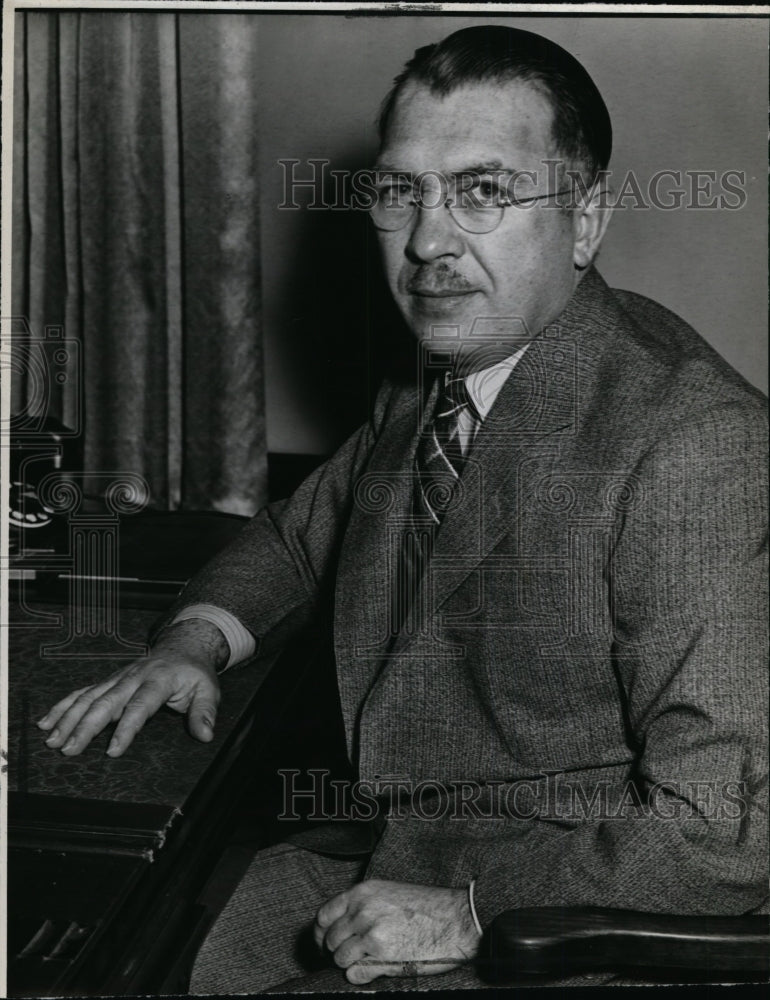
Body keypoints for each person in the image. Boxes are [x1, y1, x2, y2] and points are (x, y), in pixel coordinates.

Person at [37, 25, 767, 992]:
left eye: (483, 191)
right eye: (399, 192)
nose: (428, 242)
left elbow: (723, 826)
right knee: (112, 949)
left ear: (586, 219)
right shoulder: (437, 374)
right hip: (383, 847)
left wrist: (471, 909)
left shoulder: (692, 442)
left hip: (563, 923)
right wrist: (194, 642)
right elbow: (301, 540)